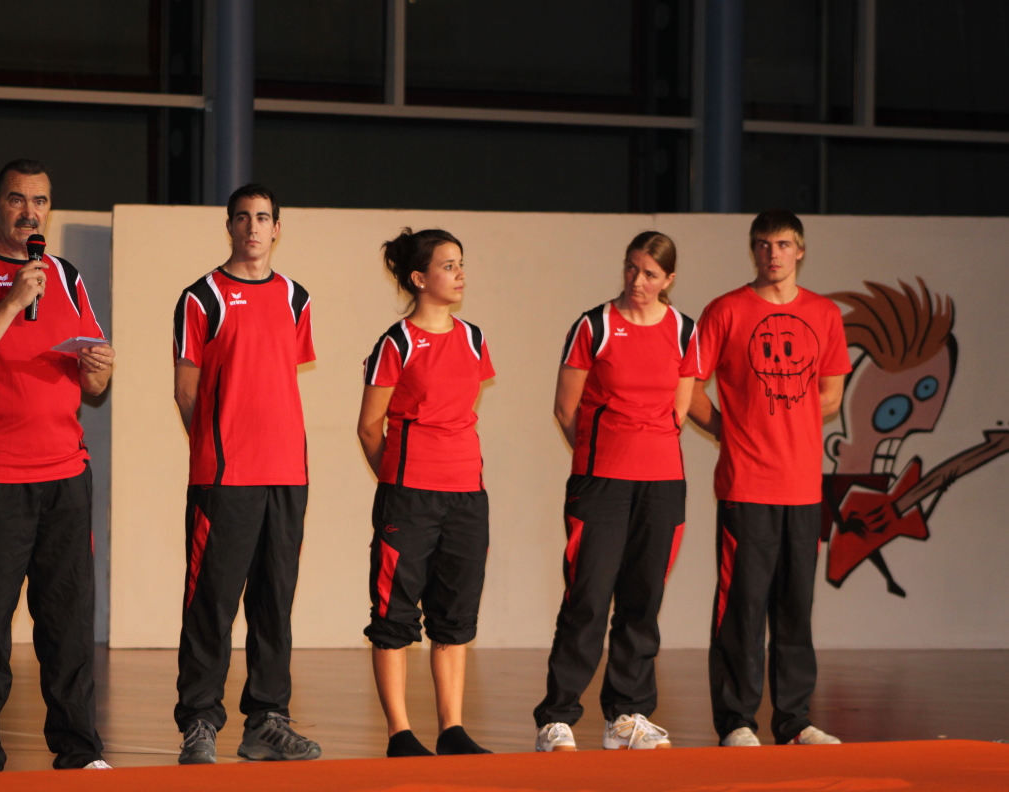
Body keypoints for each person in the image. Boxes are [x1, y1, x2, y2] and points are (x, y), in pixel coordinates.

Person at [0, 159, 114, 772]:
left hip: (66, 475)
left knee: (69, 623)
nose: (30, 212)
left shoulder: (67, 276)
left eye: (40, 201)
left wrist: (99, 368)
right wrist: (11, 303)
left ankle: (79, 750)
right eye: (17, 199)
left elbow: (94, 386)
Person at [687, 209, 851, 747]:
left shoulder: (824, 313)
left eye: (782, 244)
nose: (772, 254)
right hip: (747, 484)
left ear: (799, 250)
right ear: (752, 250)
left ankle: (794, 720)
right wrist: (728, 429)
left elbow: (831, 394)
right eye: (762, 244)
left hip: (803, 486)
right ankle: (736, 721)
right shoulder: (726, 310)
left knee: (795, 608)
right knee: (742, 606)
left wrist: (794, 420)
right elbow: (690, 388)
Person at [171, 184, 321, 763]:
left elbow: (281, 375)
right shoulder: (201, 296)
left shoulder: (296, 297)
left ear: (277, 228)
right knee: (212, 602)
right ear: (229, 226)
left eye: (263, 218)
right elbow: (186, 392)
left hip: (287, 474)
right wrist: (218, 449)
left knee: (274, 602)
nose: (253, 227)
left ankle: (267, 721)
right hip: (225, 476)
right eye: (243, 217)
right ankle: (199, 722)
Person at [533, 232, 697, 752]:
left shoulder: (684, 331)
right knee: (587, 597)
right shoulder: (594, 325)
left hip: (663, 484)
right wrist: (599, 455)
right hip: (601, 482)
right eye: (631, 268)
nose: (637, 280)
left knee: (641, 601)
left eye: (650, 273)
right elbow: (566, 408)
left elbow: (679, 411)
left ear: (668, 280)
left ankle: (626, 716)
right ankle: (557, 718)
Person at [357, 228, 495, 757]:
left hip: (467, 497)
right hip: (409, 497)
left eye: (461, 264)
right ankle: (400, 733)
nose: (460, 274)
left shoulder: (473, 338)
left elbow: (460, 413)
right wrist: (398, 481)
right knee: (393, 616)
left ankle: (452, 729)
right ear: (419, 278)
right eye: (448, 265)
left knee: (454, 617)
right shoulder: (397, 343)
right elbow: (370, 428)